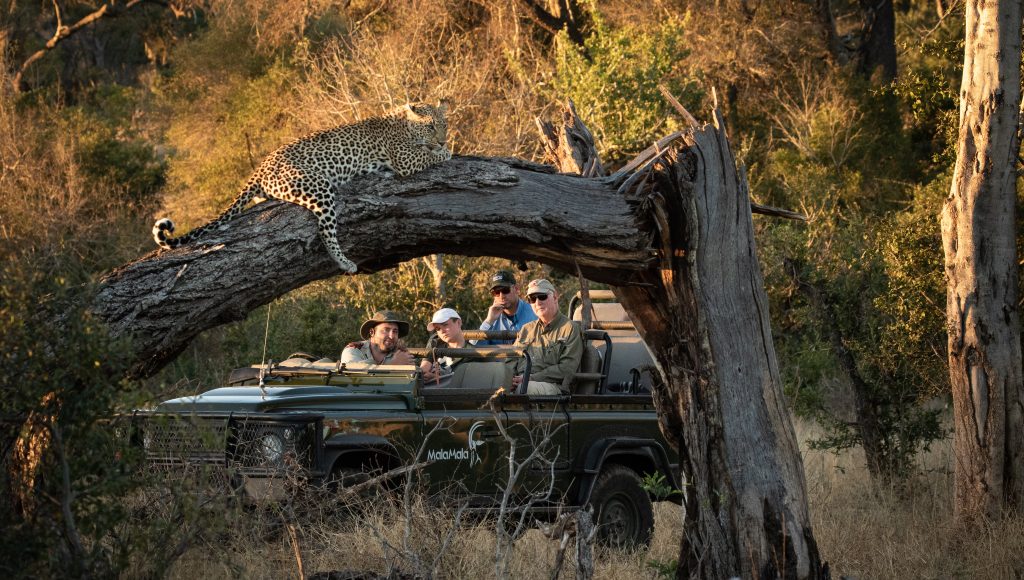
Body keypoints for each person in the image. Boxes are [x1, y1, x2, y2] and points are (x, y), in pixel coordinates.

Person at [508, 279, 583, 396]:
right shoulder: (526, 329)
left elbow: (567, 368)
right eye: (532, 299)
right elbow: (511, 359)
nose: (537, 302)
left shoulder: (570, 328)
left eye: (542, 296)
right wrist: (509, 379)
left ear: (555, 297)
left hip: (553, 386)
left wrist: (530, 378)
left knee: (524, 389)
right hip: (521, 383)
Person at [477, 270, 537, 345]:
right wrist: (488, 321)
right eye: (496, 292)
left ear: (516, 289)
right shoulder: (492, 318)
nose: (501, 296)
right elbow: (474, 349)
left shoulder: (535, 313)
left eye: (505, 290)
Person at [341, 310, 417, 365]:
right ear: (372, 332)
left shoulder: (400, 355)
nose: (391, 336)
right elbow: (354, 375)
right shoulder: (354, 350)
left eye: (395, 331)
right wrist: (391, 366)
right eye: (386, 330)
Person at [420, 307, 472, 382]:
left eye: (445, 325)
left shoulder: (472, 352)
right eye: (438, 329)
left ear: (458, 323)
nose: (442, 331)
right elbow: (423, 370)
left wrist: (437, 378)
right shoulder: (435, 342)